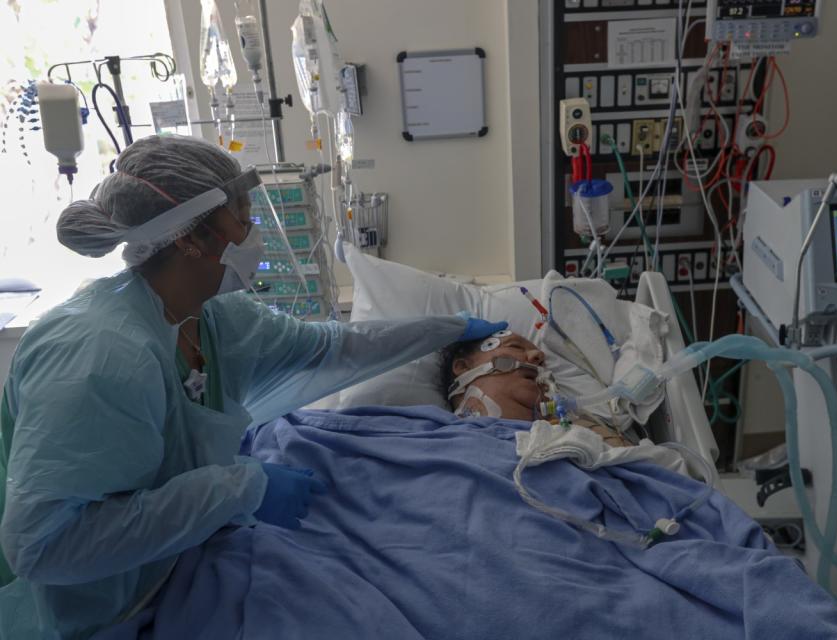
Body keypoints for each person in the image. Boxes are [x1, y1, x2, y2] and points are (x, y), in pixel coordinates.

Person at [0, 134, 506, 639]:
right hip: (95, 614)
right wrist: (235, 489)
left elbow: (332, 348)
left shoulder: (218, 318)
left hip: (176, 568)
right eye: (242, 217)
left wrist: (449, 328)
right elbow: (44, 546)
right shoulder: (99, 358)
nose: (254, 231)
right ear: (188, 237)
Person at [440, 332, 636, 448]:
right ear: (463, 368)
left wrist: (586, 429)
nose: (538, 355)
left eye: (541, 357)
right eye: (516, 346)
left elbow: (646, 468)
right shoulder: (426, 431)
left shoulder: (580, 437)